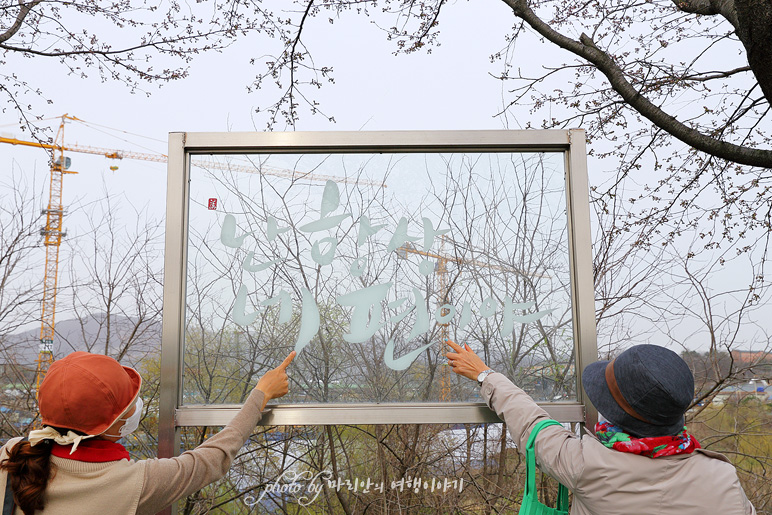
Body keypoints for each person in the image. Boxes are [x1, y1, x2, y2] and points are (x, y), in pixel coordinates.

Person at [445, 340, 756, 515]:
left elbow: (532, 423)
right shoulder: (723, 479)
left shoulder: (589, 465)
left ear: (615, 415)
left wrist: (485, 375)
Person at [0, 350, 295, 515]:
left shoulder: (12, 453)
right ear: (111, 424)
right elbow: (213, 458)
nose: (135, 407)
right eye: (128, 405)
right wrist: (260, 395)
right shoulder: (133, 483)